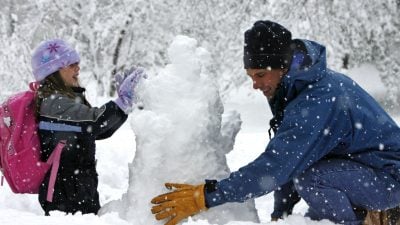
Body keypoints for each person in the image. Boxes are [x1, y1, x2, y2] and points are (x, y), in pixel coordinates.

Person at [150, 20, 400, 225]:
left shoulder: (317, 100)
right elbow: (294, 158)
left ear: (281, 66)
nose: (255, 84)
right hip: (362, 172)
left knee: (312, 180)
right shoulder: (292, 86)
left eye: (260, 74)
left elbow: (277, 166)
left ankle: (378, 217)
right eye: (250, 76)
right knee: (310, 211)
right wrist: (280, 215)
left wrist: (204, 197)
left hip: (389, 179)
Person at [31, 39, 145, 215]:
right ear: (54, 71)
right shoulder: (55, 103)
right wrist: (121, 103)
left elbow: (97, 131)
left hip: (77, 190)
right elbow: (94, 122)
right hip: (64, 198)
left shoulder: (64, 100)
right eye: (71, 64)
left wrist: (123, 107)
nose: (78, 68)